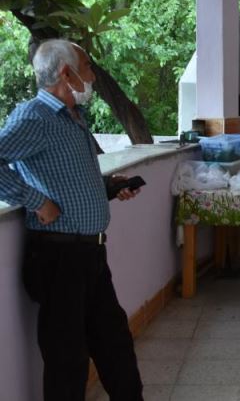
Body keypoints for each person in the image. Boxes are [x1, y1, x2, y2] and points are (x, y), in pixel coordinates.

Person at [0, 39, 144, 400]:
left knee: (114, 344)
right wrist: (35, 201)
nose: (92, 76)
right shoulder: (35, 117)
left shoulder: (72, 118)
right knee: (67, 359)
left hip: (90, 255)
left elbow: (69, 178)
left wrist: (108, 187)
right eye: (88, 67)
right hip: (59, 257)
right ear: (67, 74)